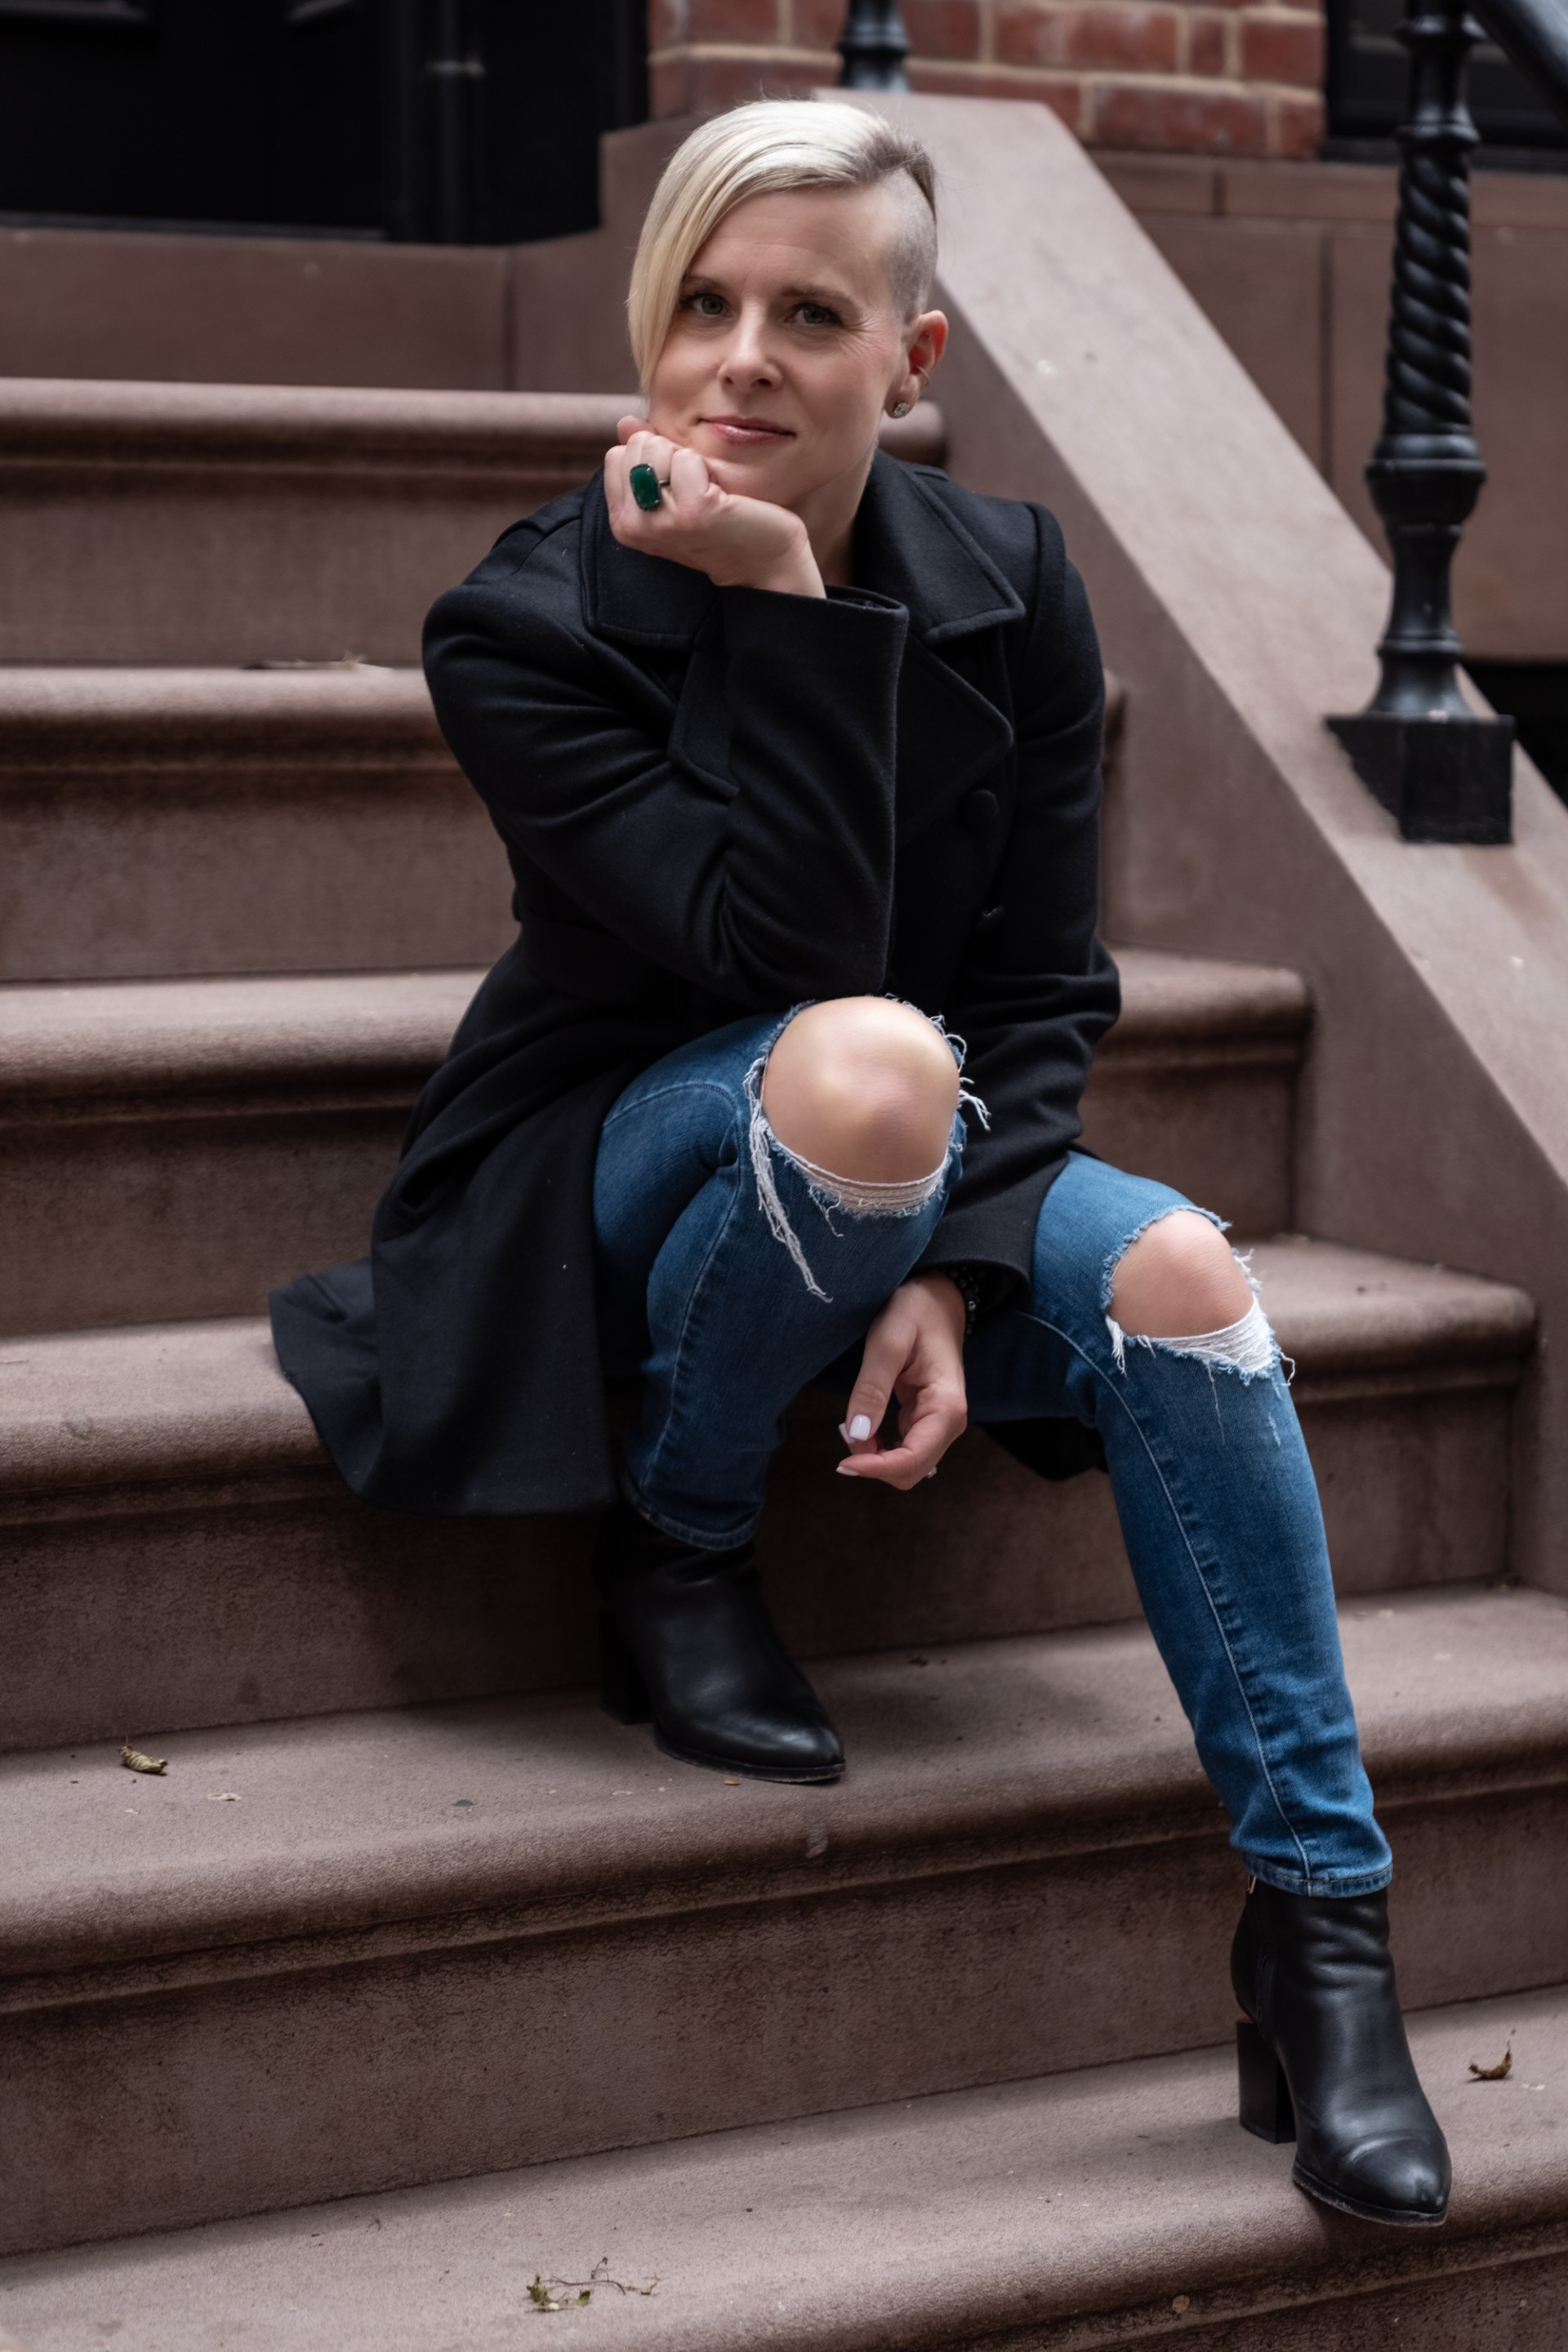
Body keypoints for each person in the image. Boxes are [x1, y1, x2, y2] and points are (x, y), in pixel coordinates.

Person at [270, 98, 1450, 2230]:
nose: (739, 357)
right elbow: (772, 957)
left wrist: (950, 1259)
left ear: (908, 364)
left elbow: (1041, 991)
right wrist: (789, 595)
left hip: (905, 1118)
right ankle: (684, 1535)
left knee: (1179, 1275)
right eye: (701, 304)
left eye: (808, 313)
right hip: (611, 1147)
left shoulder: (1018, 580)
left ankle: (1322, 1935)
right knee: (866, 1069)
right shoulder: (525, 624)